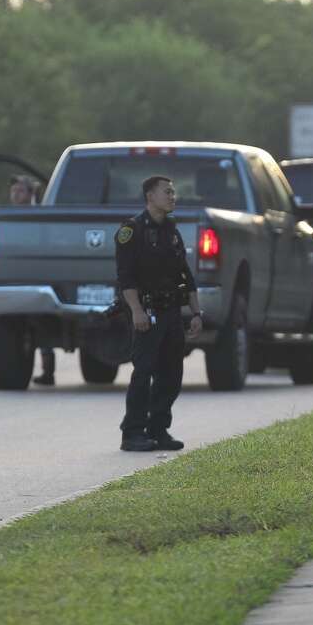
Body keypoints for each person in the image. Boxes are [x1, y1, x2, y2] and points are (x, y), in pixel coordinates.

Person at [115, 176, 202, 452]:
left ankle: (158, 428)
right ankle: (132, 432)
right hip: (147, 312)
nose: (172, 196)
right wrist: (137, 310)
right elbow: (125, 277)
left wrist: (196, 312)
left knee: (171, 373)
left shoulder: (171, 230)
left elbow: (185, 275)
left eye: (173, 192)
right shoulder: (132, 230)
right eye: (167, 192)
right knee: (144, 372)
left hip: (172, 312)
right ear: (150, 196)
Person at [9, 175, 56, 386]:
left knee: (42, 327)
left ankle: (48, 372)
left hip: (37, 277)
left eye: (20, 190)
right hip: (17, 277)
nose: (15, 194)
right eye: (14, 190)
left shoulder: (39, 216)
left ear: (31, 194)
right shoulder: (7, 216)